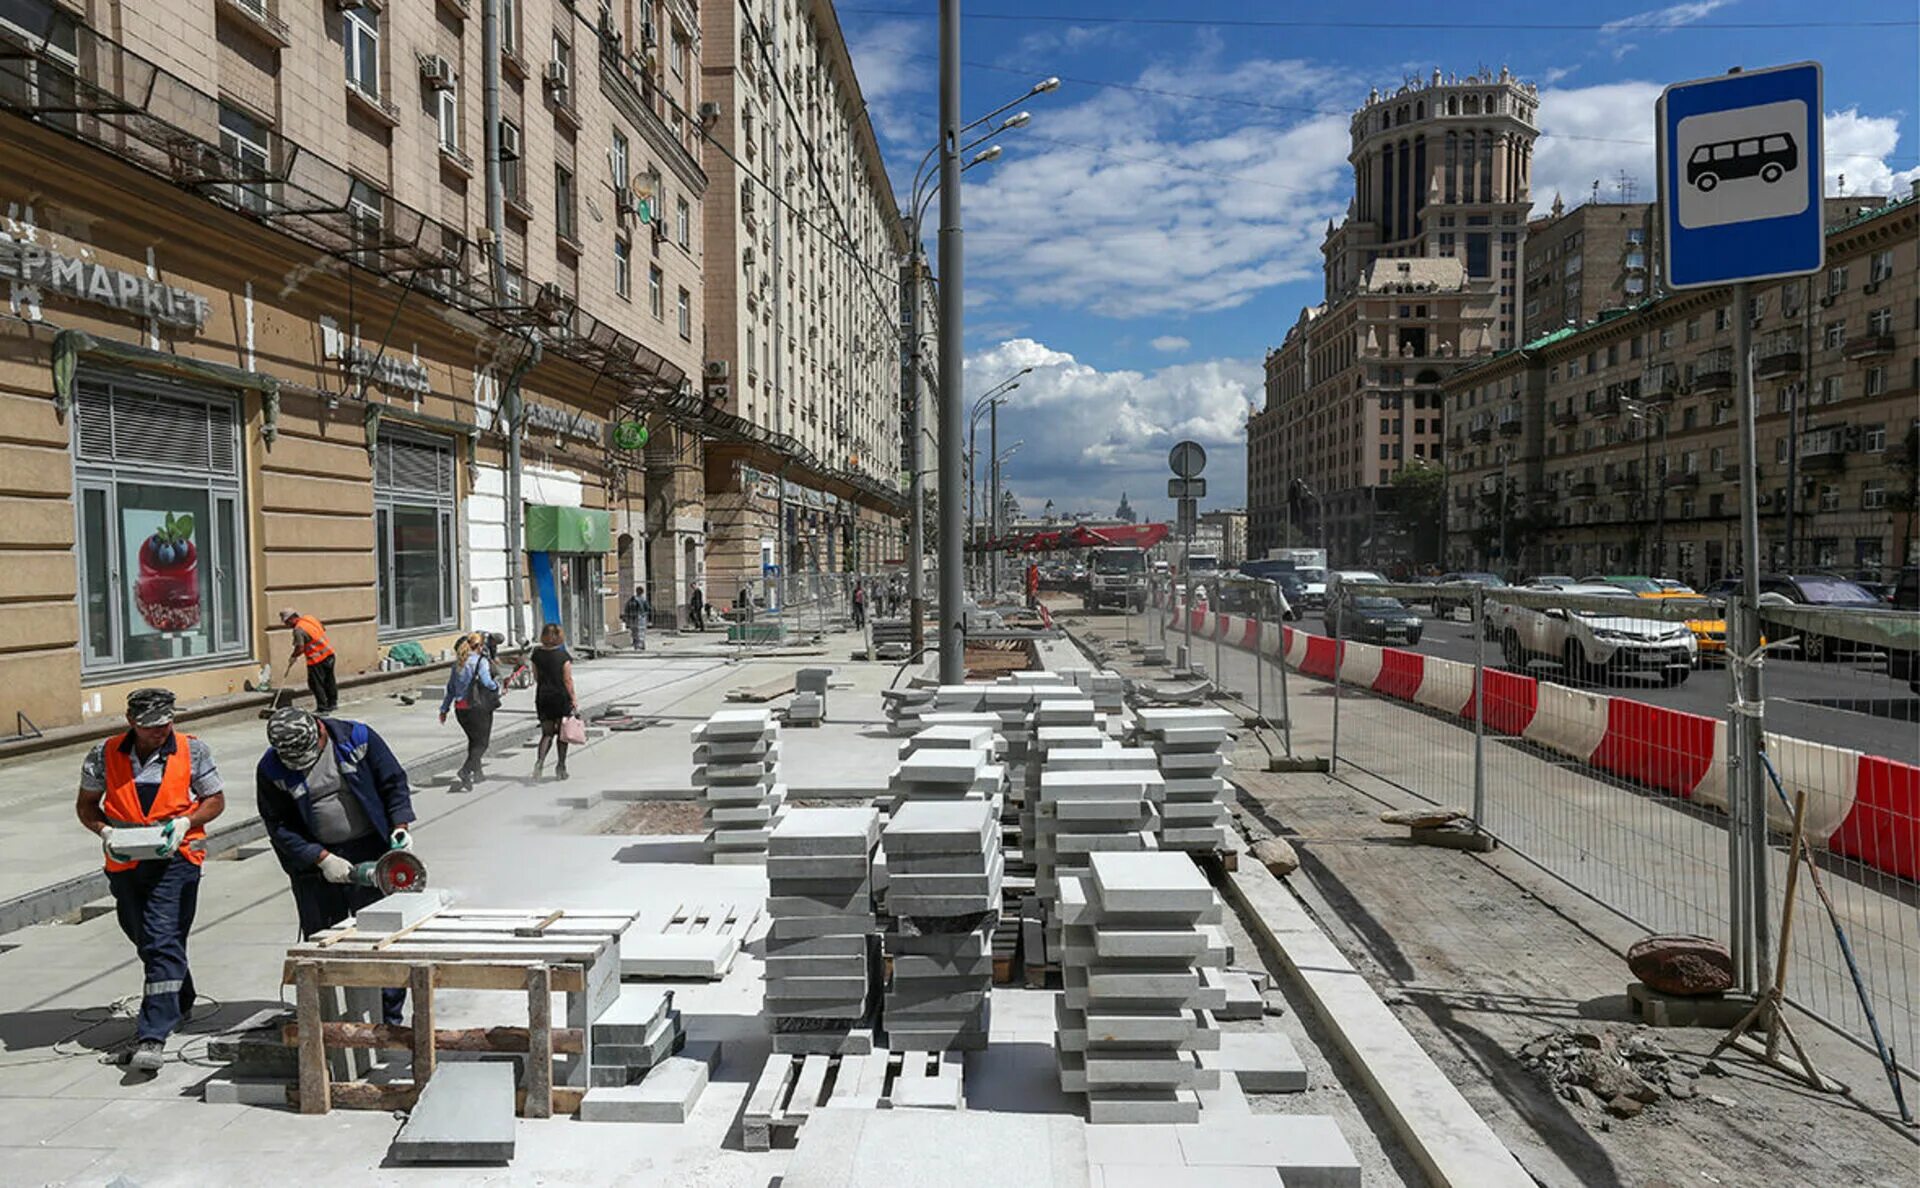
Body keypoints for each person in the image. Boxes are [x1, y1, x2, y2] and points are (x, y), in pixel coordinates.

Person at [74, 688, 226, 1072]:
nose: (159, 732)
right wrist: (105, 832)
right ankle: (181, 999)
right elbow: (87, 806)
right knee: (143, 934)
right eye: (150, 727)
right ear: (131, 723)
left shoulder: (193, 750)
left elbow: (215, 801)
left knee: (160, 940)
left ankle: (152, 1035)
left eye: (165, 724)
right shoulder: (103, 754)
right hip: (125, 859)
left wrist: (186, 821)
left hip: (177, 856)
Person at [256, 706, 415, 1024]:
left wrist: (399, 825)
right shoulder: (272, 767)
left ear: (320, 733)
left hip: (370, 846)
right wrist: (320, 858)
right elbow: (279, 825)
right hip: (316, 862)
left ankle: (388, 1019)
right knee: (324, 940)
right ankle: (327, 1021)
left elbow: (393, 783)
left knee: (380, 937)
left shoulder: (357, 739)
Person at [439, 632, 499, 792]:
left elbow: (450, 689)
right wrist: (497, 686)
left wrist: (444, 709)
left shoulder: (458, 663)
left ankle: (478, 772)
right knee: (482, 743)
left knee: (473, 740)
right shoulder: (481, 661)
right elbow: (487, 682)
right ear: (479, 646)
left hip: (461, 710)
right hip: (477, 708)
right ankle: (465, 771)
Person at [531, 623, 579, 780]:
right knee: (562, 734)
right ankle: (561, 767)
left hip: (543, 697)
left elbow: (536, 677)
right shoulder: (563, 656)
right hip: (560, 697)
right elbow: (567, 680)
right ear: (558, 637)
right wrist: (573, 699)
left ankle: (539, 762)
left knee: (547, 733)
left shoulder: (536, 655)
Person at [279, 607, 338, 714]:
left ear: (292, 618)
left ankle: (322, 708)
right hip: (329, 654)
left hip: (316, 659)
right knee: (329, 680)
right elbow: (322, 629)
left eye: (287, 622)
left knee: (315, 684)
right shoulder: (309, 618)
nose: (286, 625)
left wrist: (293, 656)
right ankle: (332, 703)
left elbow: (300, 648)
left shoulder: (298, 630)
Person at [622, 586, 651, 652]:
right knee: (640, 632)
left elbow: (626, 608)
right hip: (640, 617)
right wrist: (645, 614)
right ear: (642, 592)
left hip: (633, 618)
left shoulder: (632, 599)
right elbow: (648, 609)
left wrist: (627, 617)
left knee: (635, 632)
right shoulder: (643, 599)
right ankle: (640, 645)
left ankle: (637, 645)